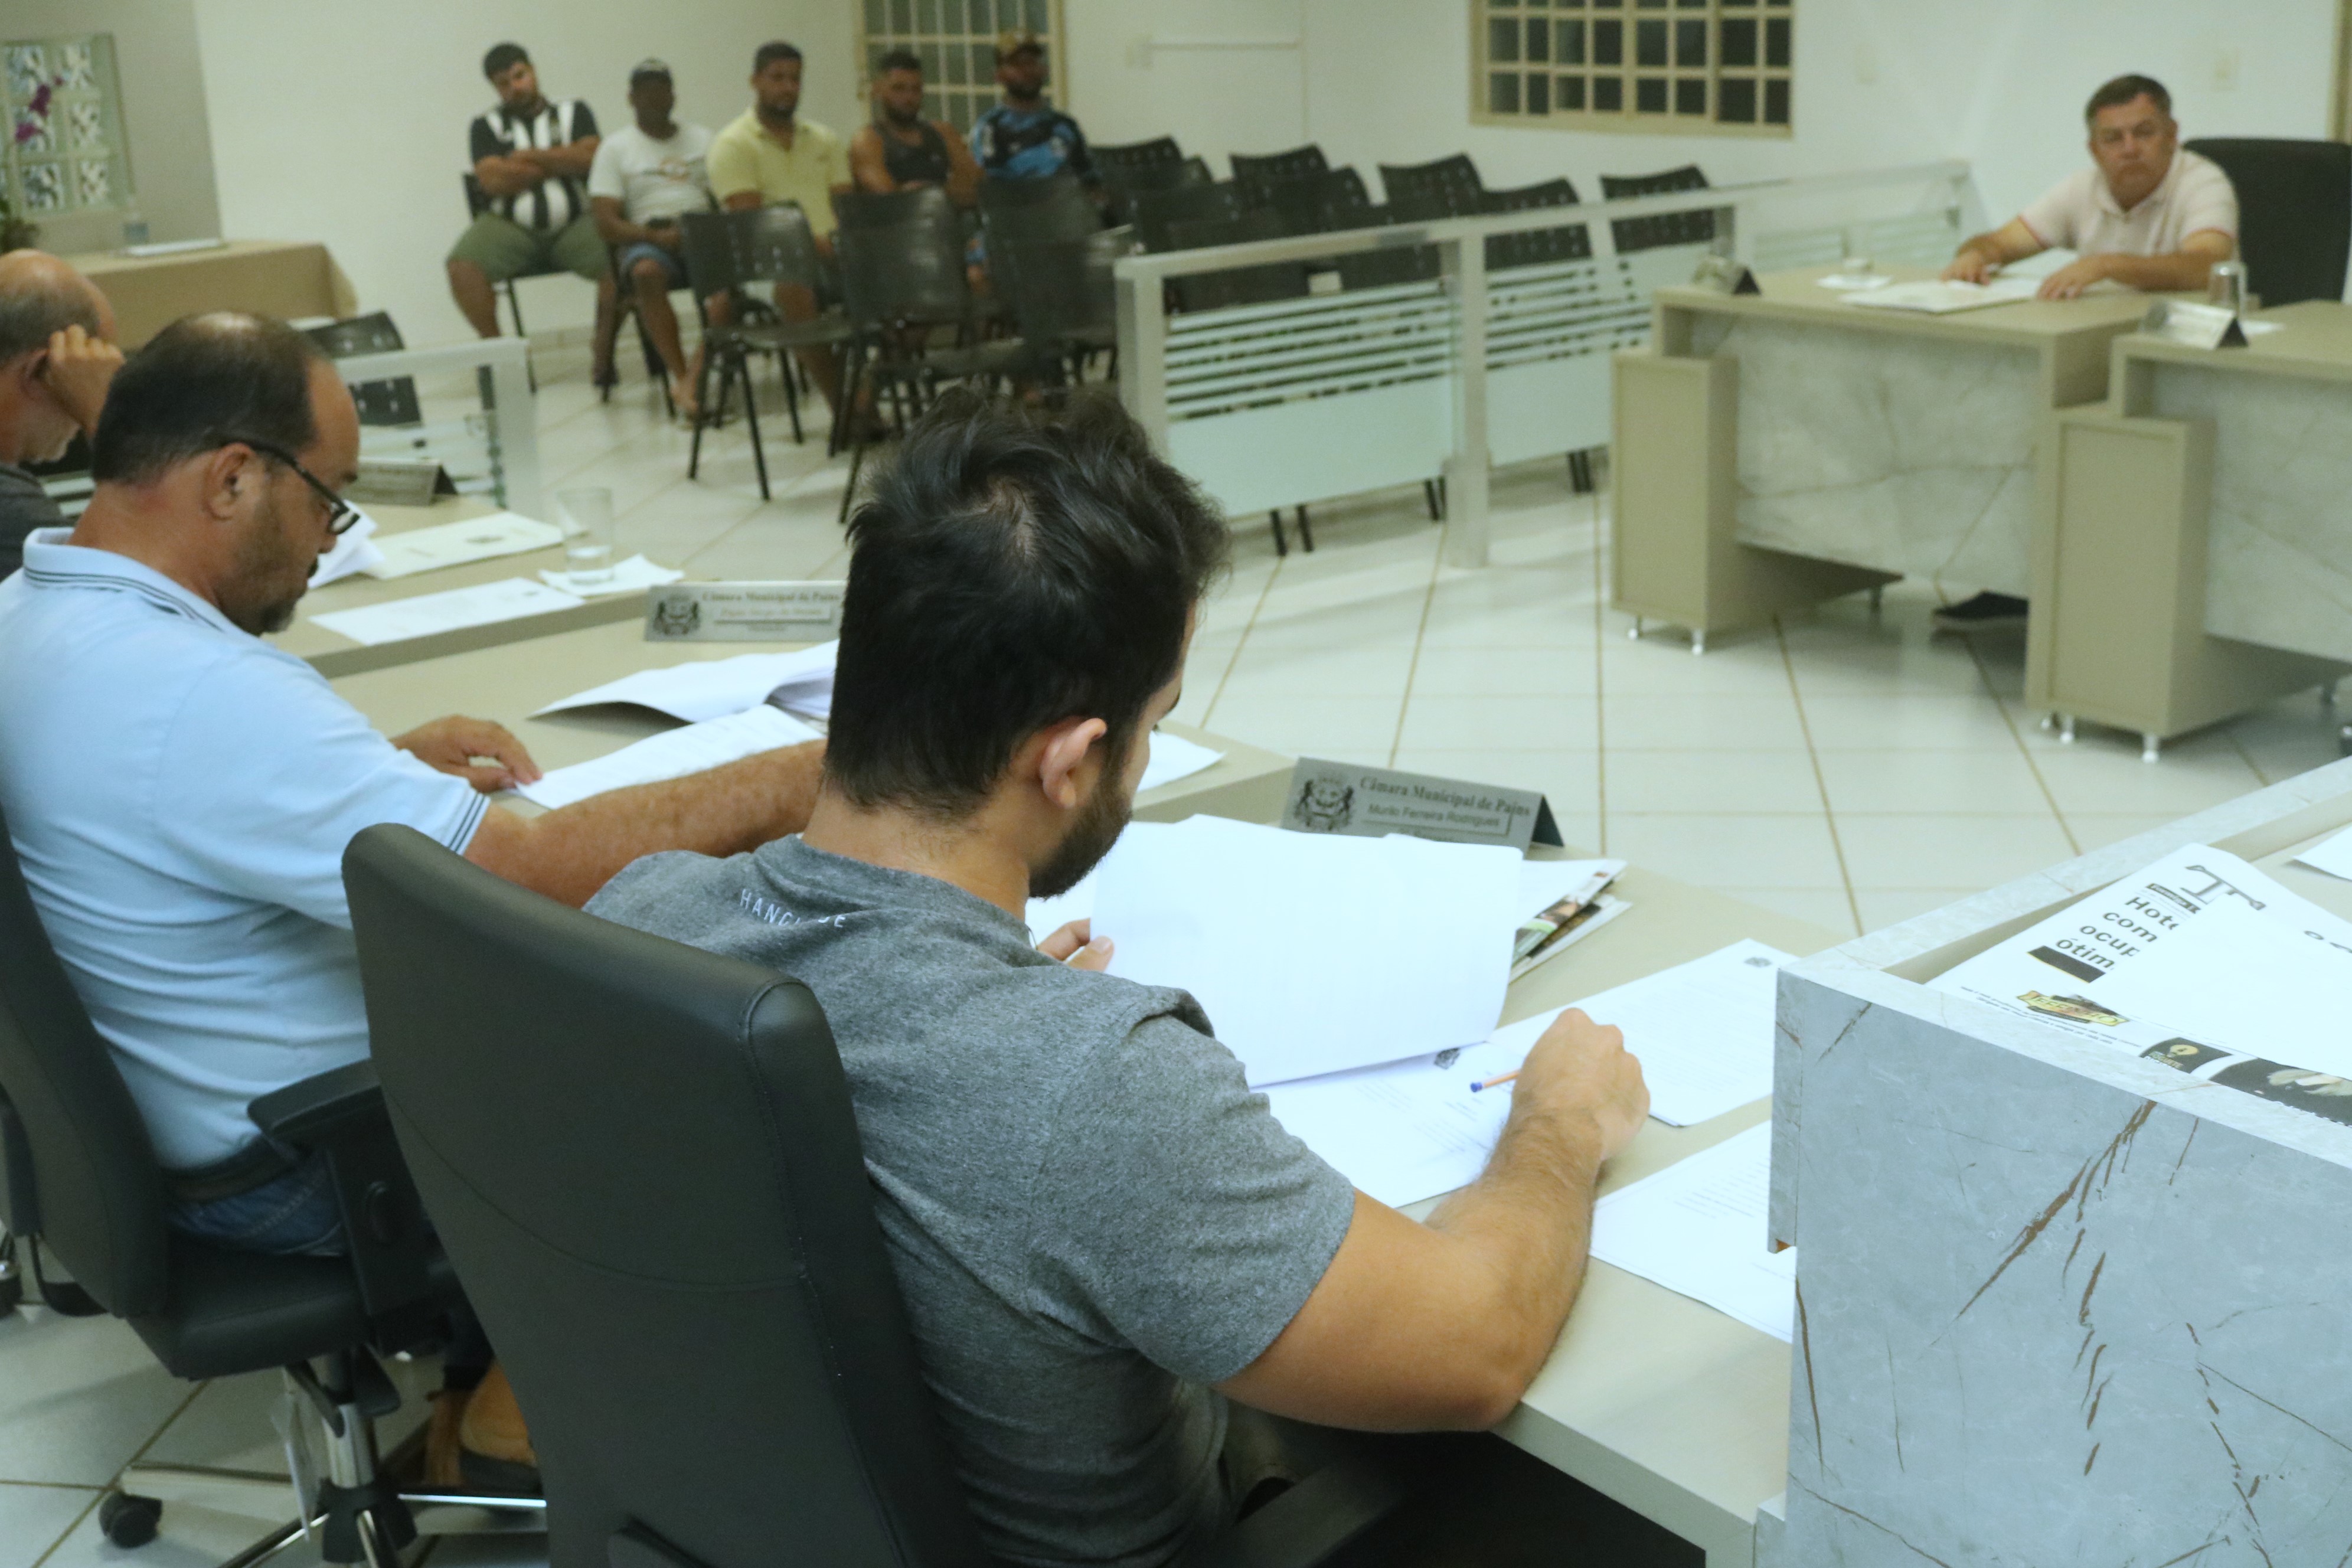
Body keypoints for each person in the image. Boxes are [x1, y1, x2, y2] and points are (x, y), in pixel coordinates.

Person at [587, 391, 1649, 1565]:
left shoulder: (634, 921)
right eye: (1152, 722)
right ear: (1070, 759)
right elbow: (1480, 1345)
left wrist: (997, 1004)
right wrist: (1559, 1122)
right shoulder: (1096, 1089)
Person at [0, 312, 825, 1480]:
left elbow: (158, 802)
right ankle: (509, 1409)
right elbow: (530, 878)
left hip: (149, 1132)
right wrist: (802, 773)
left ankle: (487, 1367)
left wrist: (367, 769)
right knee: (725, 1042)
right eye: (328, 499)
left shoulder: (32, 616)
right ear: (231, 479)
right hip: (312, 1164)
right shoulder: (196, 692)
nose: (329, 541)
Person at [1935, 74, 2237, 632]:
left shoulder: (2203, 182)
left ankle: (2100, 597)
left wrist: (2105, 264)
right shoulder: (2081, 189)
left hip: (2185, 365)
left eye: (2144, 133)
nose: (2129, 149)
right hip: (2098, 352)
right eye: (2113, 138)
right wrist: (1975, 255)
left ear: (2172, 134)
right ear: (2094, 148)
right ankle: (2018, 580)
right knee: (2010, 416)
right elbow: (2000, 242)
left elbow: (2207, 265)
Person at [447, 43, 617, 380]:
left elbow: (593, 158)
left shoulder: (574, 112)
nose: (515, 87)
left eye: (519, 76)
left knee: (622, 263)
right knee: (462, 267)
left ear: (533, 71)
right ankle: (501, 356)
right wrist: (561, 160)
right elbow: (492, 180)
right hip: (511, 226)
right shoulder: (485, 126)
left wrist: (528, 157)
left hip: (577, 222)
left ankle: (603, 347)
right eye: (503, 83)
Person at [707, 41, 855, 417]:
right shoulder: (733, 144)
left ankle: (870, 389)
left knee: (895, 278)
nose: (788, 88)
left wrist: (839, 244)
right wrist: (813, 246)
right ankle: (845, 407)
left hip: (836, 255)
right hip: (766, 266)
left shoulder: (824, 139)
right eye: (777, 78)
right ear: (755, 81)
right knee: (794, 287)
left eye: (795, 79)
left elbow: (847, 208)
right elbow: (753, 227)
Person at [587, 60, 715, 419]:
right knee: (645, 273)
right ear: (631, 98)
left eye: (662, 90)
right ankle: (680, 375)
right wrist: (656, 236)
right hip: (648, 236)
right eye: (646, 91)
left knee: (729, 290)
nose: (655, 98)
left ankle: (693, 378)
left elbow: (726, 196)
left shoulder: (704, 140)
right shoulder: (616, 149)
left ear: (674, 95)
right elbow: (606, 223)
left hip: (702, 233)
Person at [0, 251, 121, 578]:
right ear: (42, 369)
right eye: (90, 370)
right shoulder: (14, 515)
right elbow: (153, 584)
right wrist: (106, 416)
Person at [849, 49, 982, 206]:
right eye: (899, 89)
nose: (908, 98)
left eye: (916, 89)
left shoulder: (943, 132)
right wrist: (945, 191)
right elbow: (888, 199)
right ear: (878, 90)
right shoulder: (868, 141)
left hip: (949, 219)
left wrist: (920, 191)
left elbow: (975, 184)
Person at [968, 30, 1096, 188]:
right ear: (999, 75)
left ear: (1045, 69)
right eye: (1017, 65)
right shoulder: (990, 129)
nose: (1027, 71)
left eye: (1032, 62)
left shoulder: (1065, 125)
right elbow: (989, 188)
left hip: (1066, 201)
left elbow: (1090, 182)